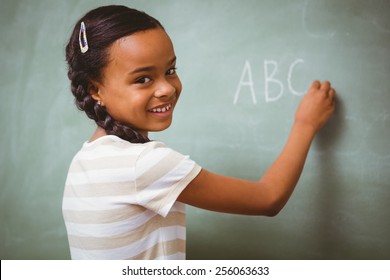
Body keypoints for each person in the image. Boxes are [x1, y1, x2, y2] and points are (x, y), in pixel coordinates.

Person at [62, 5, 336, 260]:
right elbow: (268, 198)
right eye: (143, 79)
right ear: (95, 90)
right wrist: (305, 124)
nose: (167, 88)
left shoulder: (84, 160)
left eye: (170, 70)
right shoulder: (143, 163)